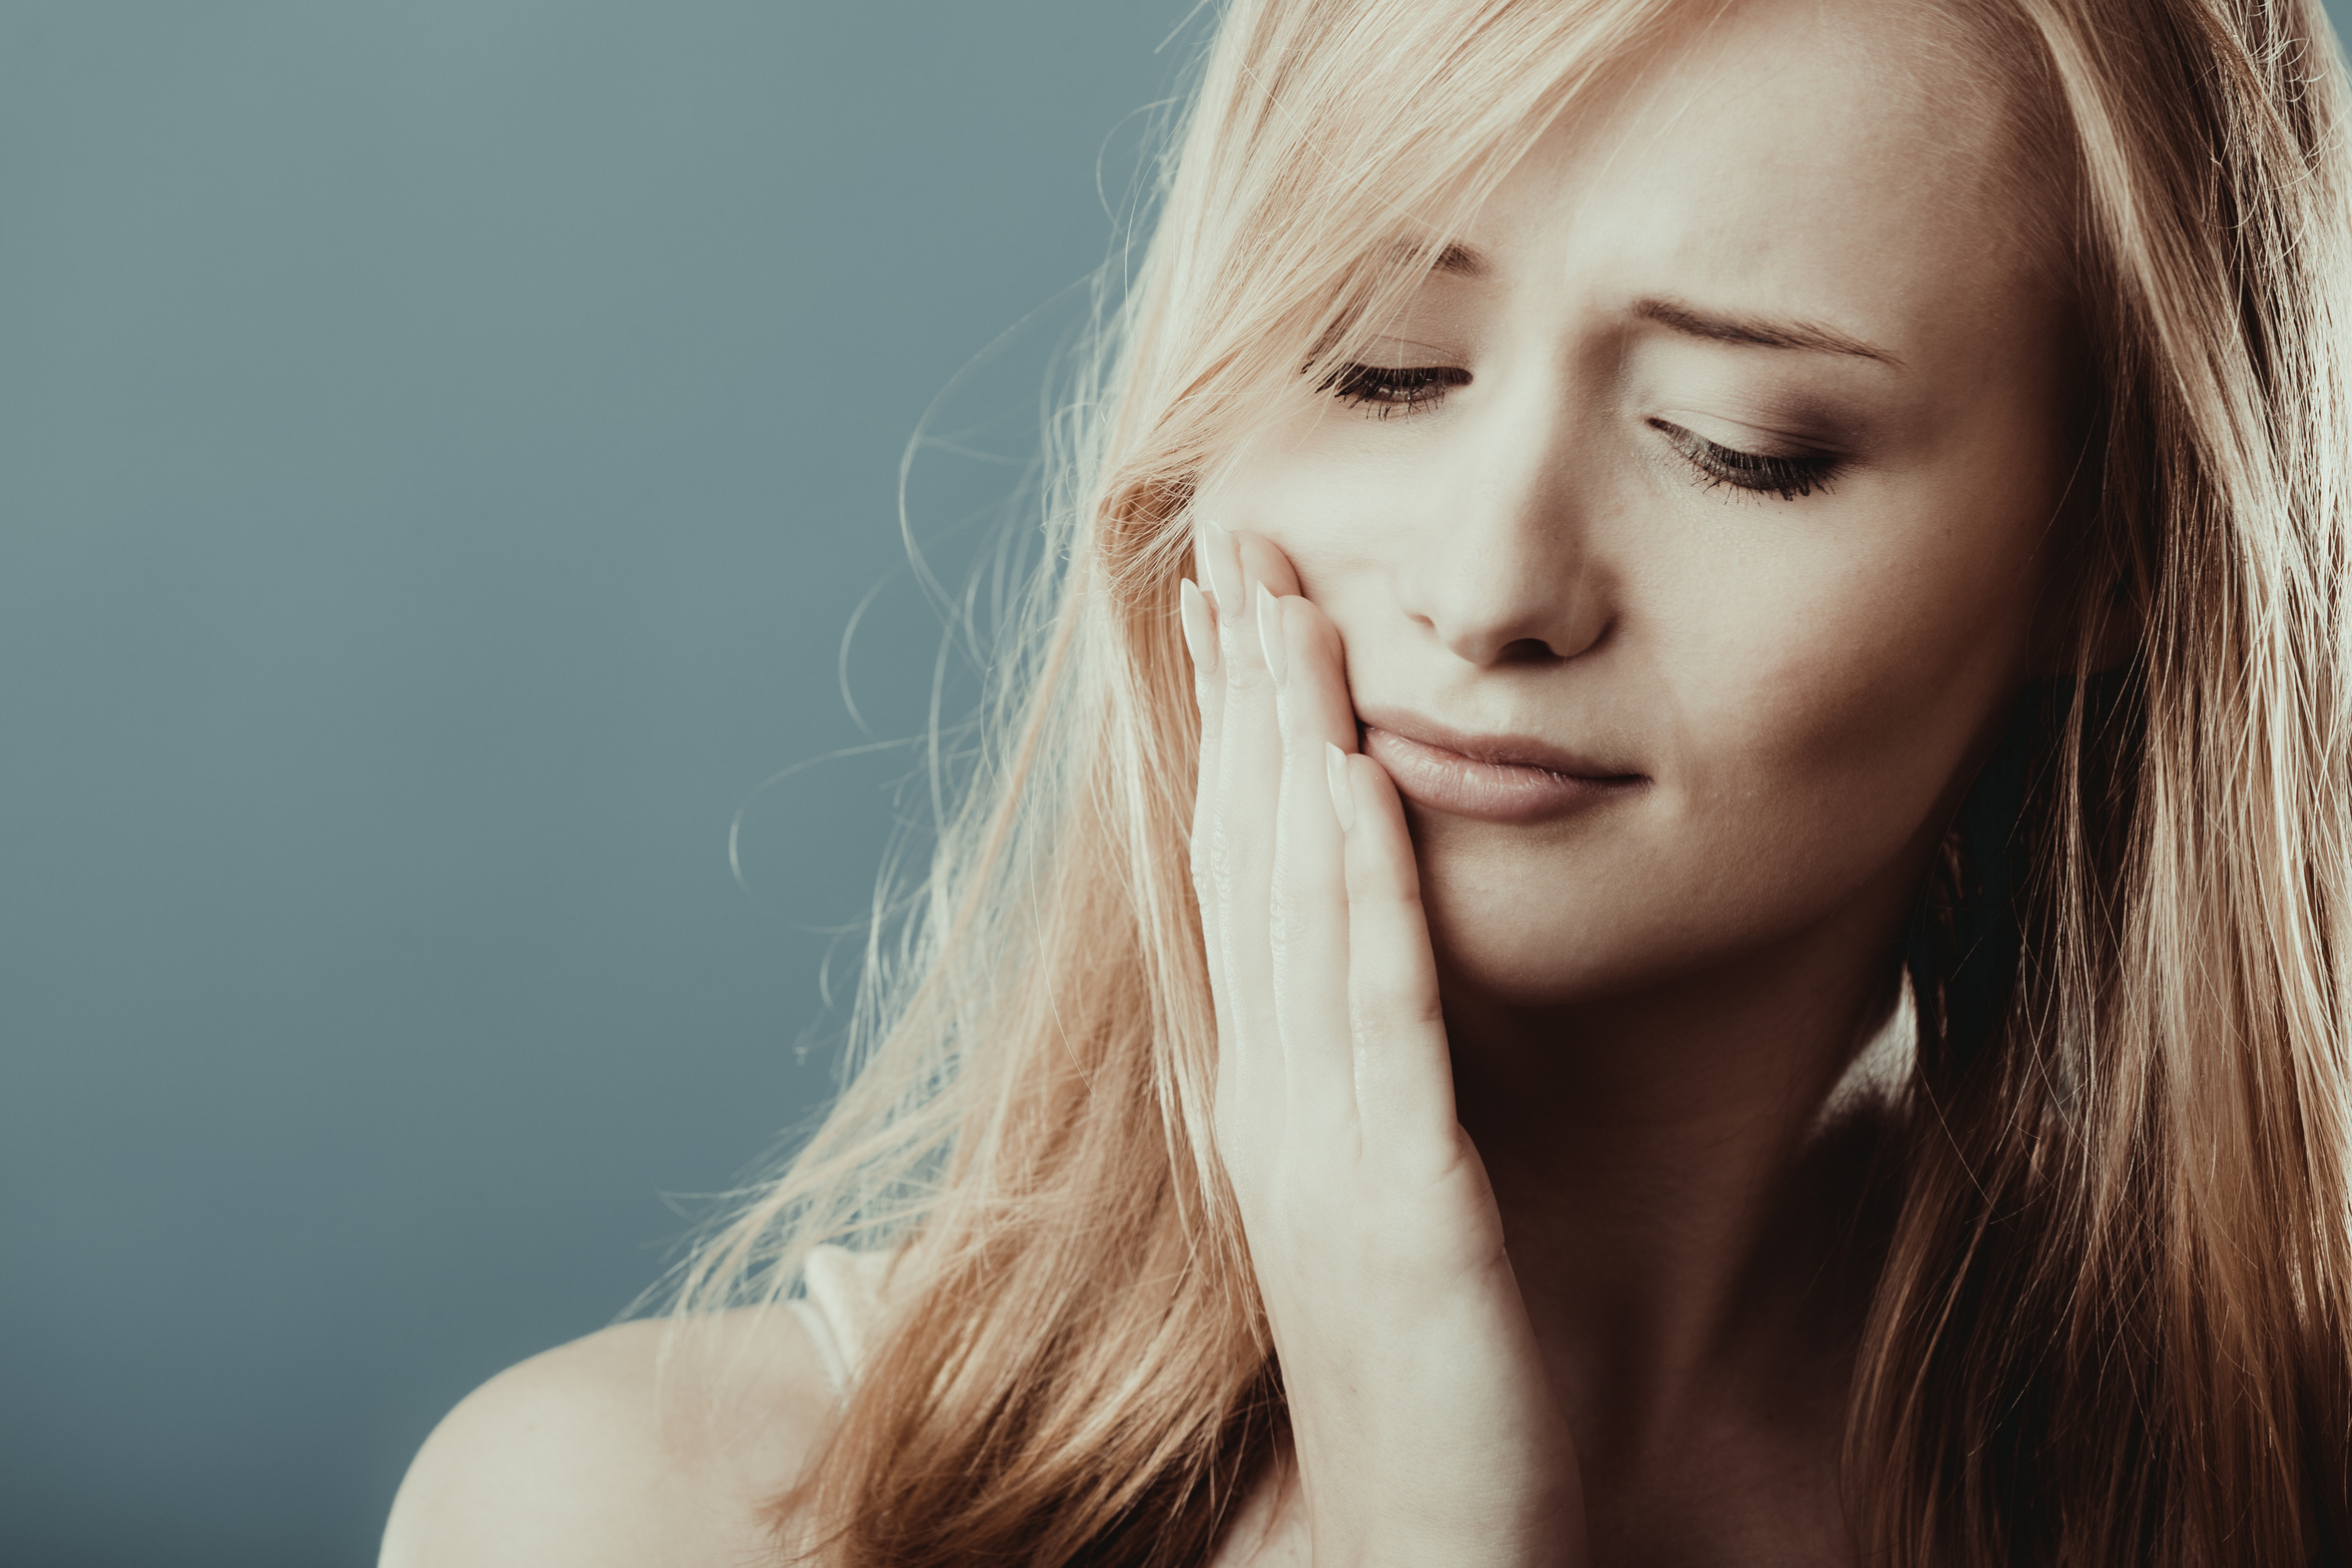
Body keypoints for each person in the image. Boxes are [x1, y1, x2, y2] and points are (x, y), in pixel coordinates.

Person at [378, 0, 2352, 1561]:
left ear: (2108, 543)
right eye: (1380, 367)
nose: (1491, 587)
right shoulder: (634, 1519)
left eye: (1738, 441)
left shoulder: (2279, 1477)